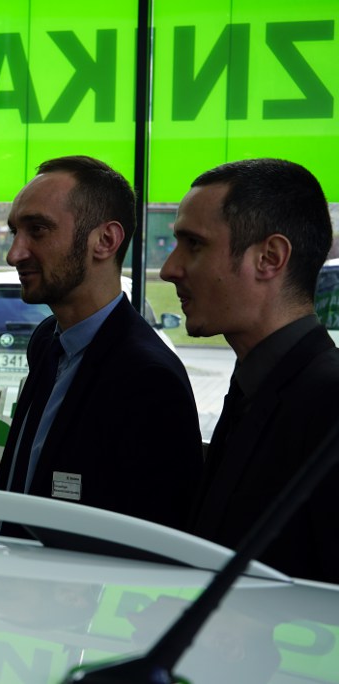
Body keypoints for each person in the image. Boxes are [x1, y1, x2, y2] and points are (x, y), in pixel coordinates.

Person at [0, 155, 203, 531]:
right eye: (14, 233)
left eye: (37, 230)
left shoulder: (148, 378)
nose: (14, 254)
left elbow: (153, 538)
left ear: (105, 241)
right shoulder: (46, 342)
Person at [160, 158, 339, 583]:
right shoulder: (255, 385)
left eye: (194, 244)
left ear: (269, 258)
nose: (169, 269)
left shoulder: (327, 404)